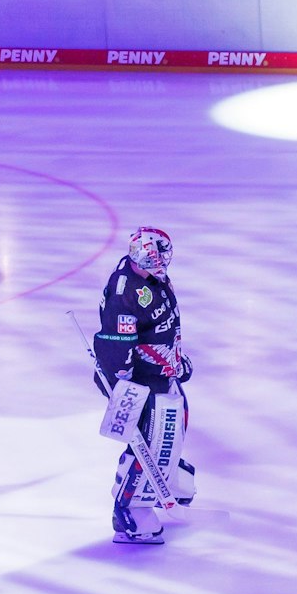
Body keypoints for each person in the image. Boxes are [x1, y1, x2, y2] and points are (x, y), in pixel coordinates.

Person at [93, 227, 194, 544]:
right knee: (149, 440)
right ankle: (130, 514)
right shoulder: (126, 292)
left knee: (175, 424)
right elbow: (115, 346)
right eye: (154, 257)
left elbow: (162, 327)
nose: (161, 262)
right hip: (140, 381)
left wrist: (175, 358)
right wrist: (122, 385)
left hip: (161, 372)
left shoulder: (154, 278)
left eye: (163, 256)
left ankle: (167, 477)